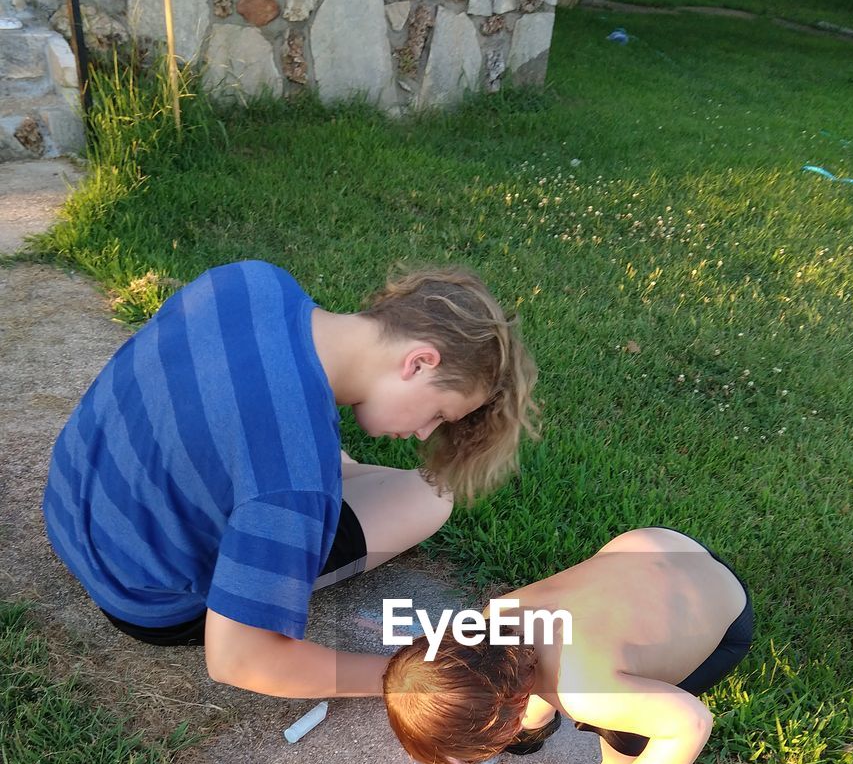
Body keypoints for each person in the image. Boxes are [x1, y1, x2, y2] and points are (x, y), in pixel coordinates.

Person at [42, 259, 538, 699]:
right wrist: (401, 677)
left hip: (69, 510)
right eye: (440, 413)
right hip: (143, 598)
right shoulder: (295, 475)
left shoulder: (251, 279)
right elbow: (239, 660)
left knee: (313, 466)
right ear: (419, 362)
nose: (425, 432)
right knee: (429, 498)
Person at [382, 528, 753, 764]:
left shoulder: (589, 696)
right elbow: (533, 660)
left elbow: (691, 721)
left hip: (724, 617)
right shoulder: (492, 618)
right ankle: (538, 719)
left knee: (627, 730)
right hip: (657, 546)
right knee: (541, 656)